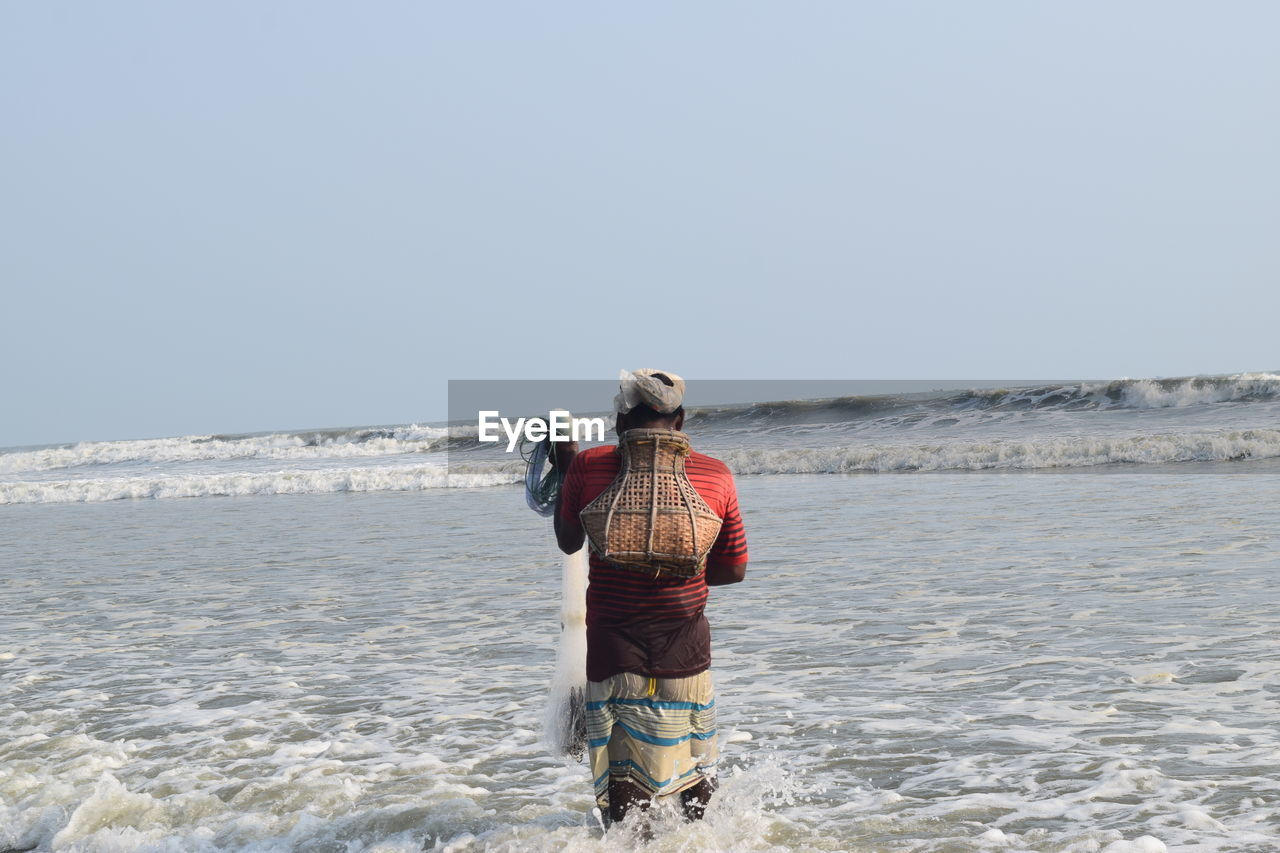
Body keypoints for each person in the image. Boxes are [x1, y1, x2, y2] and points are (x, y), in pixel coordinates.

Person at [552, 369, 749, 827]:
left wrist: (566, 464)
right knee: (697, 773)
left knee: (620, 785)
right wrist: (678, 564)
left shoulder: (591, 466)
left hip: (613, 655)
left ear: (621, 422)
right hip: (686, 653)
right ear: (679, 422)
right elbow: (733, 570)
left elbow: (568, 542)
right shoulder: (715, 474)